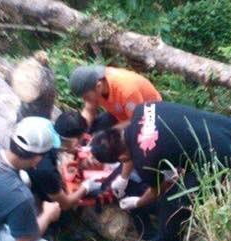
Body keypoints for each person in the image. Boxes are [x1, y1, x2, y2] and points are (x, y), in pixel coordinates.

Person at [90, 101, 231, 241]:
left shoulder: (144, 159)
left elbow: (159, 190)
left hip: (228, 154)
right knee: (183, 182)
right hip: (228, 128)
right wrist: (123, 177)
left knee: (172, 201)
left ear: (120, 159)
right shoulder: (142, 110)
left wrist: (137, 202)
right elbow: (132, 148)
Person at [69, 64, 163, 196]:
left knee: (119, 152)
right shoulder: (95, 85)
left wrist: (107, 136)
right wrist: (80, 136)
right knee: (93, 129)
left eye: (86, 97)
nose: (85, 100)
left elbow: (137, 123)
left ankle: (117, 175)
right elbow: (89, 110)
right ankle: (92, 155)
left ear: (98, 86)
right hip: (121, 114)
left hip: (147, 120)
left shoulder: (126, 91)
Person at [26, 110, 102, 211]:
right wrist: (86, 186)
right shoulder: (47, 169)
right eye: (80, 141)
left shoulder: (45, 129)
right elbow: (65, 204)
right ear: (74, 141)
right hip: (30, 195)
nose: (80, 145)